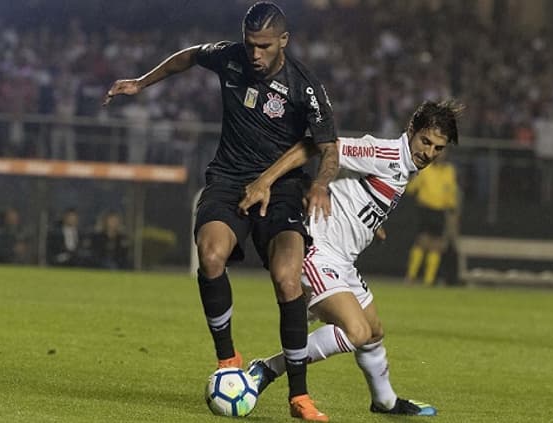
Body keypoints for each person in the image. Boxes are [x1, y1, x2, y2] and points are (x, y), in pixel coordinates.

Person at [103, 2, 338, 420]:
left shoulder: (304, 85)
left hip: (282, 190)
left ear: (283, 41)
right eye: (250, 44)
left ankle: (299, 397)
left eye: (264, 46)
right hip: (229, 180)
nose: (255, 54)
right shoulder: (230, 57)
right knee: (210, 255)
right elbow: (190, 56)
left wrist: (318, 183)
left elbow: (326, 147)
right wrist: (142, 82)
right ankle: (228, 362)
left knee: (287, 280)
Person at [238, 100, 462, 417]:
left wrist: (373, 223)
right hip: (318, 251)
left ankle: (385, 402)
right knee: (356, 332)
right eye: (425, 141)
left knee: (373, 332)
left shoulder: (406, 166)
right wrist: (273, 181)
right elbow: (323, 146)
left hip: (343, 260)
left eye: (438, 148)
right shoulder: (385, 153)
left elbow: (358, 190)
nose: (429, 152)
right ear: (411, 130)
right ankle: (269, 368)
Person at [404, 149, 459, 286]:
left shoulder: (449, 171)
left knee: (436, 245)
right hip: (425, 209)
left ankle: (429, 280)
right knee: (422, 242)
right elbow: (411, 189)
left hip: (440, 211)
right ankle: (411, 277)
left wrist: (452, 207)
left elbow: (451, 191)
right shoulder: (425, 169)